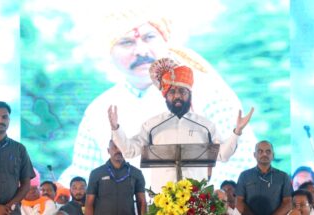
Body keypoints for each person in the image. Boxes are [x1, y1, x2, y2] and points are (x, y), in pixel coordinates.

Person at [58, 3, 258, 188]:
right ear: (109, 52)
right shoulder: (100, 109)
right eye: (126, 42)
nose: (141, 50)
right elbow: (83, 175)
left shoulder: (208, 93)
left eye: (149, 37)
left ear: (165, 40)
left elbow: (242, 162)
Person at [108, 58, 254, 192]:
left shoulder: (204, 125)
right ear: (165, 96)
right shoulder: (152, 125)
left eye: (182, 91)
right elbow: (129, 151)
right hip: (163, 202)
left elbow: (222, 154)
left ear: (189, 94)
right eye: (172, 91)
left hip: (195, 203)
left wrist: (237, 132)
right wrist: (116, 128)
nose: (177, 96)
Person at [85, 140, 146, 215]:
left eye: (121, 147)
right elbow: (89, 203)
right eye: (114, 147)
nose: (118, 150)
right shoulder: (96, 173)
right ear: (108, 150)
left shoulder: (136, 173)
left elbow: (141, 202)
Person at [236, 140, 293, 215]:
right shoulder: (244, 176)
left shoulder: (283, 176)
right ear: (254, 155)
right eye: (260, 151)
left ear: (273, 155)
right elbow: (239, 201)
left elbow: (288, 202)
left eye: (268, 151)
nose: (264, 154)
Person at [0, 101, 35, 215]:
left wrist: (9, 206)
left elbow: (26, 184)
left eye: (4, 117)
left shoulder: (19, 149)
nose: (0, 120)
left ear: (9, 120)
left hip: (11, 211)